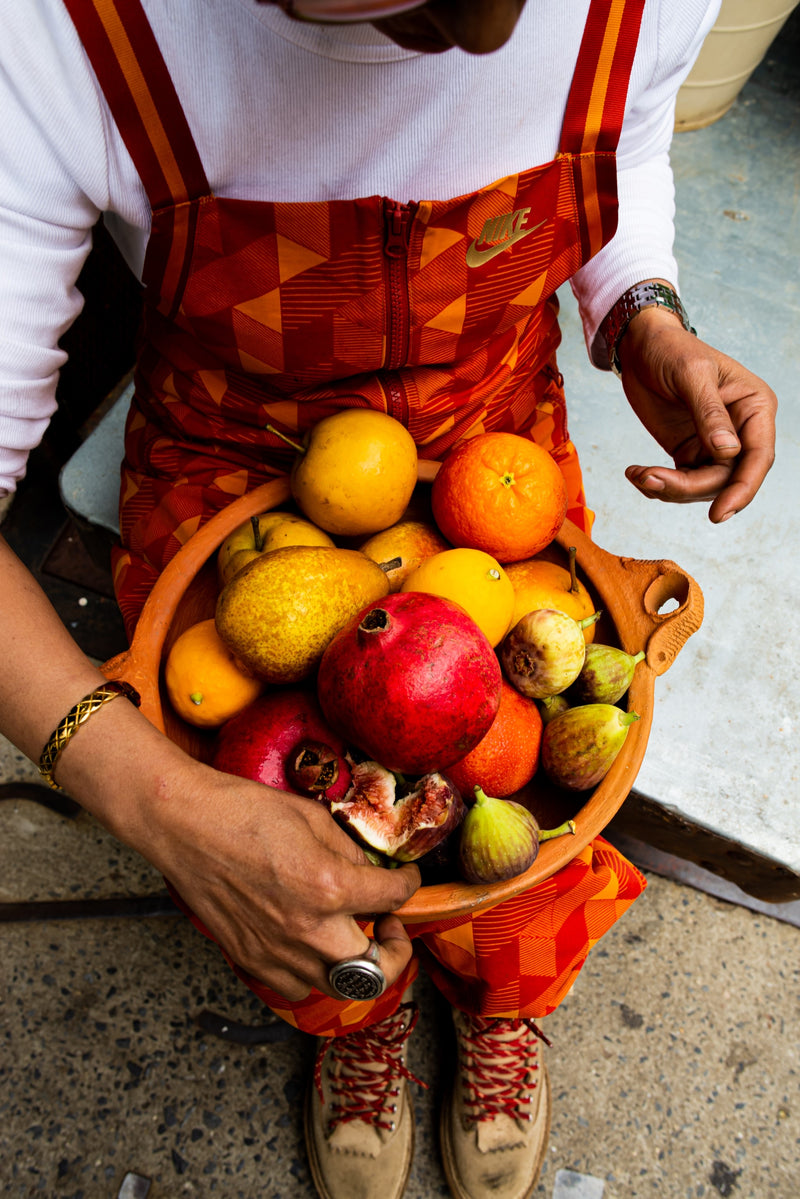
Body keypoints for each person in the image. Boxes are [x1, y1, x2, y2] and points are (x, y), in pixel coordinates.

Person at [0, 2, 777, 1198]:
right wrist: (144, 793)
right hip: (232, 494)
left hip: (494, 478)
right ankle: (352, 1012)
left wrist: (637, 311)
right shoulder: (62, 34)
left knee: (520, 822)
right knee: (274, 867)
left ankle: (497, 999)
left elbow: (619, 136)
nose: (455, 45)